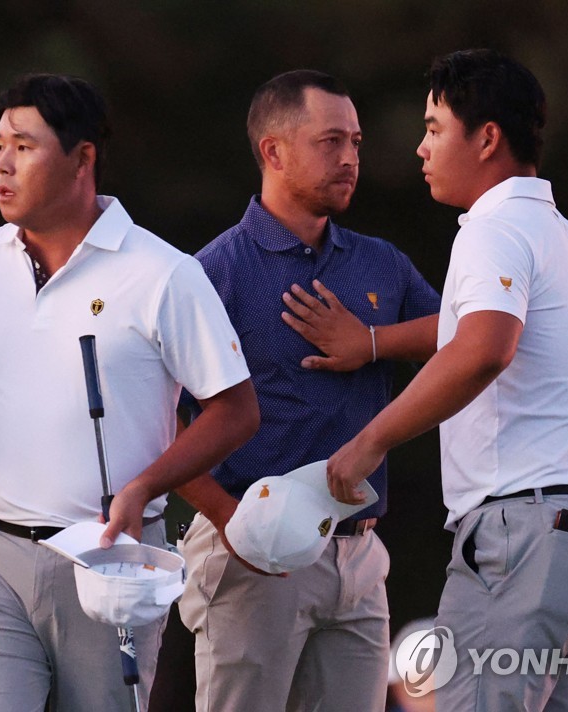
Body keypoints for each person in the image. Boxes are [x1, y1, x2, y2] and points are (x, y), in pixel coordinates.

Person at [0, 73, 259, 712]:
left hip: (111, 569)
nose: (2, 165)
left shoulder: (164, 273)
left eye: (24, 146)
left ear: (83, 159)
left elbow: (235, 411)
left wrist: (143, 487)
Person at [327, 49, 568, 710]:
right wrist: (374, 342)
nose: (420, 146)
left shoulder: (492, 230)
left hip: (525, 539)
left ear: (487, 137)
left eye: (435, 127)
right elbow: (472, 332)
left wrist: (372, 440)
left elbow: (483, 349)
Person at [171, 69, 441, 712]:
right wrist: (229, 520)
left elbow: (463, 336)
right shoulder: (212, 272)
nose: (350, 158)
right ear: (273, 150)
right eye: (330, 141)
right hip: (250, 547)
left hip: (360, 551)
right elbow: (159, 420)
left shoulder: (381, 261)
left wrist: (371, 342)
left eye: (356, 141)